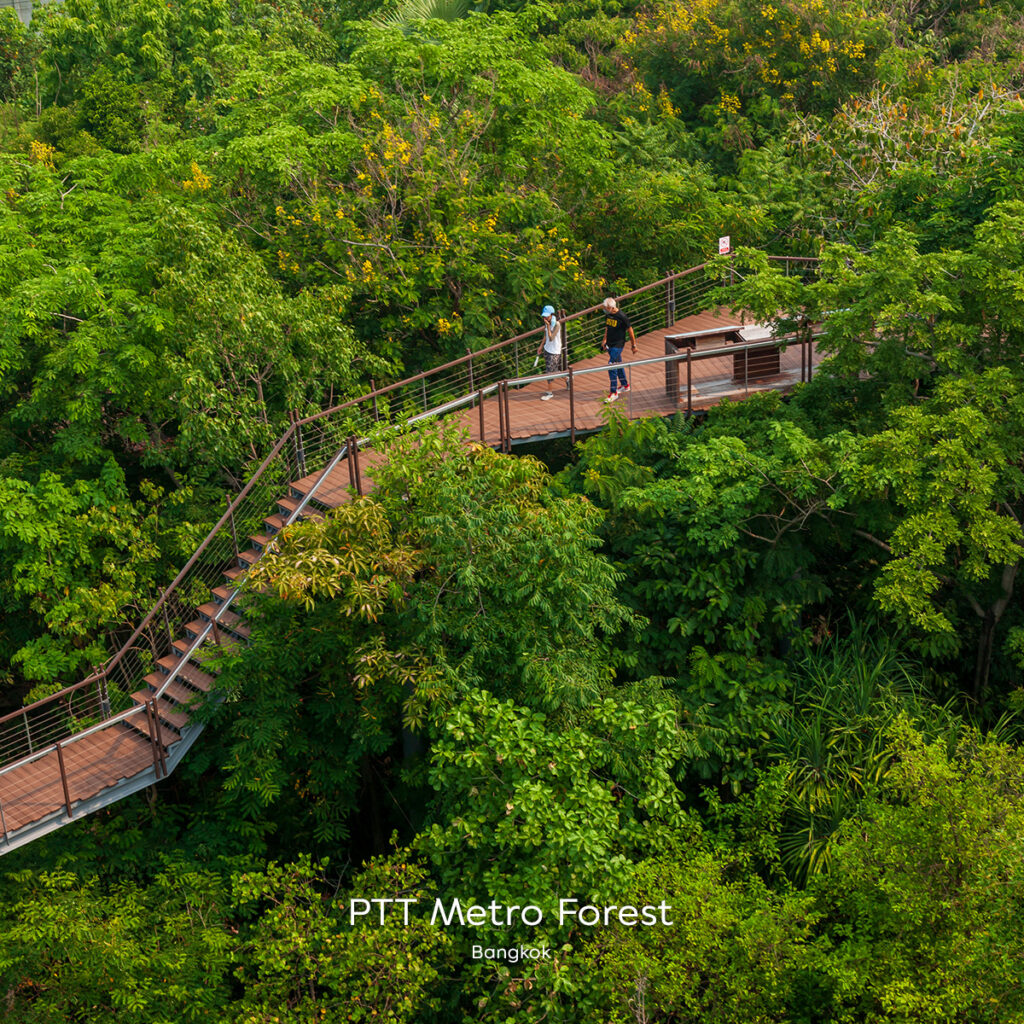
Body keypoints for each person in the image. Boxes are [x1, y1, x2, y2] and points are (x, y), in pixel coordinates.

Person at [600, 297, 637, 402]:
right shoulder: (608, 315)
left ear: (611, 307)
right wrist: (604, 340)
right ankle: (625, 385)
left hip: (618, 344)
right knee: (618, 363)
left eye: (606, 308)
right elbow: (607, 328)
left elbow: (630, 330)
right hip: (610, 344)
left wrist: (633, 345)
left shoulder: (622, 317)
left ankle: (613, 392)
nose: (604, 309)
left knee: (612, 365)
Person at [536, 305, 563, 401]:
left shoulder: (557, 324)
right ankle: (568, 378)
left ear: (552, 314)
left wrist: (548, 325)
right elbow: (546, 336)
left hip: (555, 351)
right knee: (554, 371)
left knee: (549, 372)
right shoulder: (547, 323)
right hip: (547, 349)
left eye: (547, 316)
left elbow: (551, 338)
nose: (545, 318)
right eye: (544, 316)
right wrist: (541, 346)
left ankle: (550, 393)